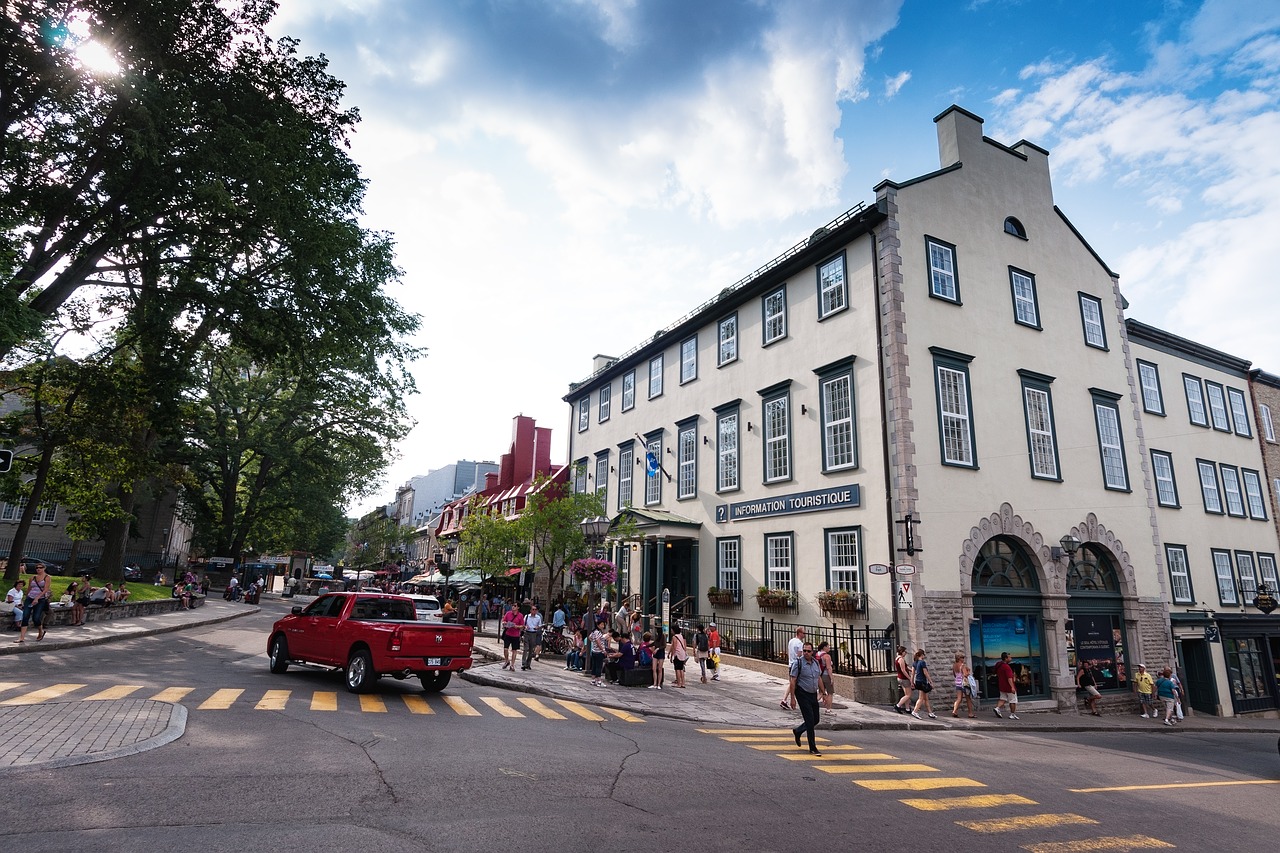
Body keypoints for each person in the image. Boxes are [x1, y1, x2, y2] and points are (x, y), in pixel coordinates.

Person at [789, 641, 824, 755]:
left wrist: (823, 692)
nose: (806, 653)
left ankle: (798, 731)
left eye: (808, 651)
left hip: (813, 694)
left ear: (812, 652)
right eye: (804, 651)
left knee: (816, 719)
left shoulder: (815, 663)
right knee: (809, 721)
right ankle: (813, 748)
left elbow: (818, 678)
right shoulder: (798, 663)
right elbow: (793, 681)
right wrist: (792, 698)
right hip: (802, 693)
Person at [17, 563, 53, 643]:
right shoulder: (33, 577)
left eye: (40, 568)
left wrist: (37, 598)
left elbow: (46, 589)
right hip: (30, 598)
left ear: (44, 568)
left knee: (36, 617)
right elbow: (29, 588)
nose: (38, 569)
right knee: (25, 616)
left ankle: (41, 631)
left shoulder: (47, 577)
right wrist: (25, 598)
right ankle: (22, 637)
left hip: (40, 599)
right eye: (37, 568)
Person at [781, 627, 805, 710]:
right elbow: (800, 655)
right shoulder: (799, 643)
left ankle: (784, 700)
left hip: (791, 664)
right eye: (803, 633)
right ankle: (794, 700)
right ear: (799, 633)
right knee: (795, 684)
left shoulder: (791, 641)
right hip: (796, 665)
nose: (804, 635)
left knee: (792, 683)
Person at [993, 651, 1020, 720]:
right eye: (1010, 657)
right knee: (1013, 700)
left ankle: (997, 708)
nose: (1011, 658)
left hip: (1002, 685)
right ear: (1005, 658)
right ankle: (1012, 714)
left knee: (1003, 698)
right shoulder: (1007, 667)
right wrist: (1012, 687)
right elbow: (1009, 678)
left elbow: (995, 671)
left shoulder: (998, 664)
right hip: (1008, 687)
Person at [911, 649, 937, 719]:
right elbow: (925, 672)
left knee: (926, 698)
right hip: (922, 681)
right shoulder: (922, 662)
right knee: (921, 698)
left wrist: (912, 682)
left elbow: (912, 673)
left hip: (917, 681)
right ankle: (915, 711)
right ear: (922, 655)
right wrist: (931, 681)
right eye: (923, 655)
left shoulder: (915, 663)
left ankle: (930, 713)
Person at [951, 652, 975, 718]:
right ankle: (970, 713)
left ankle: (954, 711)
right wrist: (968, 672)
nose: (963, 659)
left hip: (958, 684)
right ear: (959, 658)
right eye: (962, 657)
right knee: (968, 699)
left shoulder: (954, 665)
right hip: (964, 684)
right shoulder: (962, 665)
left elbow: (954, 675)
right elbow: (965, 675)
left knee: (959, 699)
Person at [500, 604, 524, 671]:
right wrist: (505, 623)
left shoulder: (520, 616)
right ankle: (507, 660)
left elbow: (522, 625)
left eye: (515, 606)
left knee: (514, 650)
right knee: (505, 648)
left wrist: (516, 626)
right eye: (513, 605)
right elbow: (504, 621)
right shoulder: (508, 613)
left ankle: (512, 664)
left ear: (518, 607)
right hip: (508, 633)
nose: (513, 607)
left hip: (516, 635)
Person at [892, 646, 915, 714]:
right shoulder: (901, 659)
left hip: (900, 678)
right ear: (902, 652)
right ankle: (898, 705)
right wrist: (910, 678)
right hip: (904, 679)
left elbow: (905, 667)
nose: (906, 653)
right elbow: (903, 670)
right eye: (905, 652)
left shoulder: (897, 658)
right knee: (908, 695)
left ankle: (907, 708)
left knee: (906, 694)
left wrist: (912, 670)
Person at [588, 619, 609, 687]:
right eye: (601, 624)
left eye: (603, 624)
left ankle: (593, 680)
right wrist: (603, 650)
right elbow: (598, 641)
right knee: (598, 666)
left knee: (594, 666)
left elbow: (590, 637)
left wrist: (593, 643)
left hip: (594, 651)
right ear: (598, 625)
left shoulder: (594, 632)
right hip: (599, 652)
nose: (603, 626)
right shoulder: (598, 632)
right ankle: (599, 681)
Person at [816, 641, 836, 712]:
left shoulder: (817, 654)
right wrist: (831, 678)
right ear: (824, 647)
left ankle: (812, 703)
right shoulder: (827, 656)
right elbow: (828, 668)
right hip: (826, 675)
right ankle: (828, 709)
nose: (829, 648)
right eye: (828, 646)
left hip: (819, 676)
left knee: (821, 692)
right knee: (830, 693)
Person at [522, 602, 543, 669]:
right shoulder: (527, 616)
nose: (534, 611)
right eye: (533, 609)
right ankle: (523, 663)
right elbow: (523, 624)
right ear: (530, 610)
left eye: (535, 609)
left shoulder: (538, 618)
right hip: (527, 633)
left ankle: (528, 664)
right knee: (526, 648)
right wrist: (525, 627)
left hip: (534, 633)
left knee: (531, 650)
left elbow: (540, 625)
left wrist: (538, 627)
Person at [669, 624, 689, 688]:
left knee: (677, 669)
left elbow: (674, 647)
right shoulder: (681, 636)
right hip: (682, 653)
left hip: (677, 654)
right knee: (681, 669)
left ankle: (679, 683)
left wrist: (672, 655)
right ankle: (683, 683)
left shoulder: (675, 637)